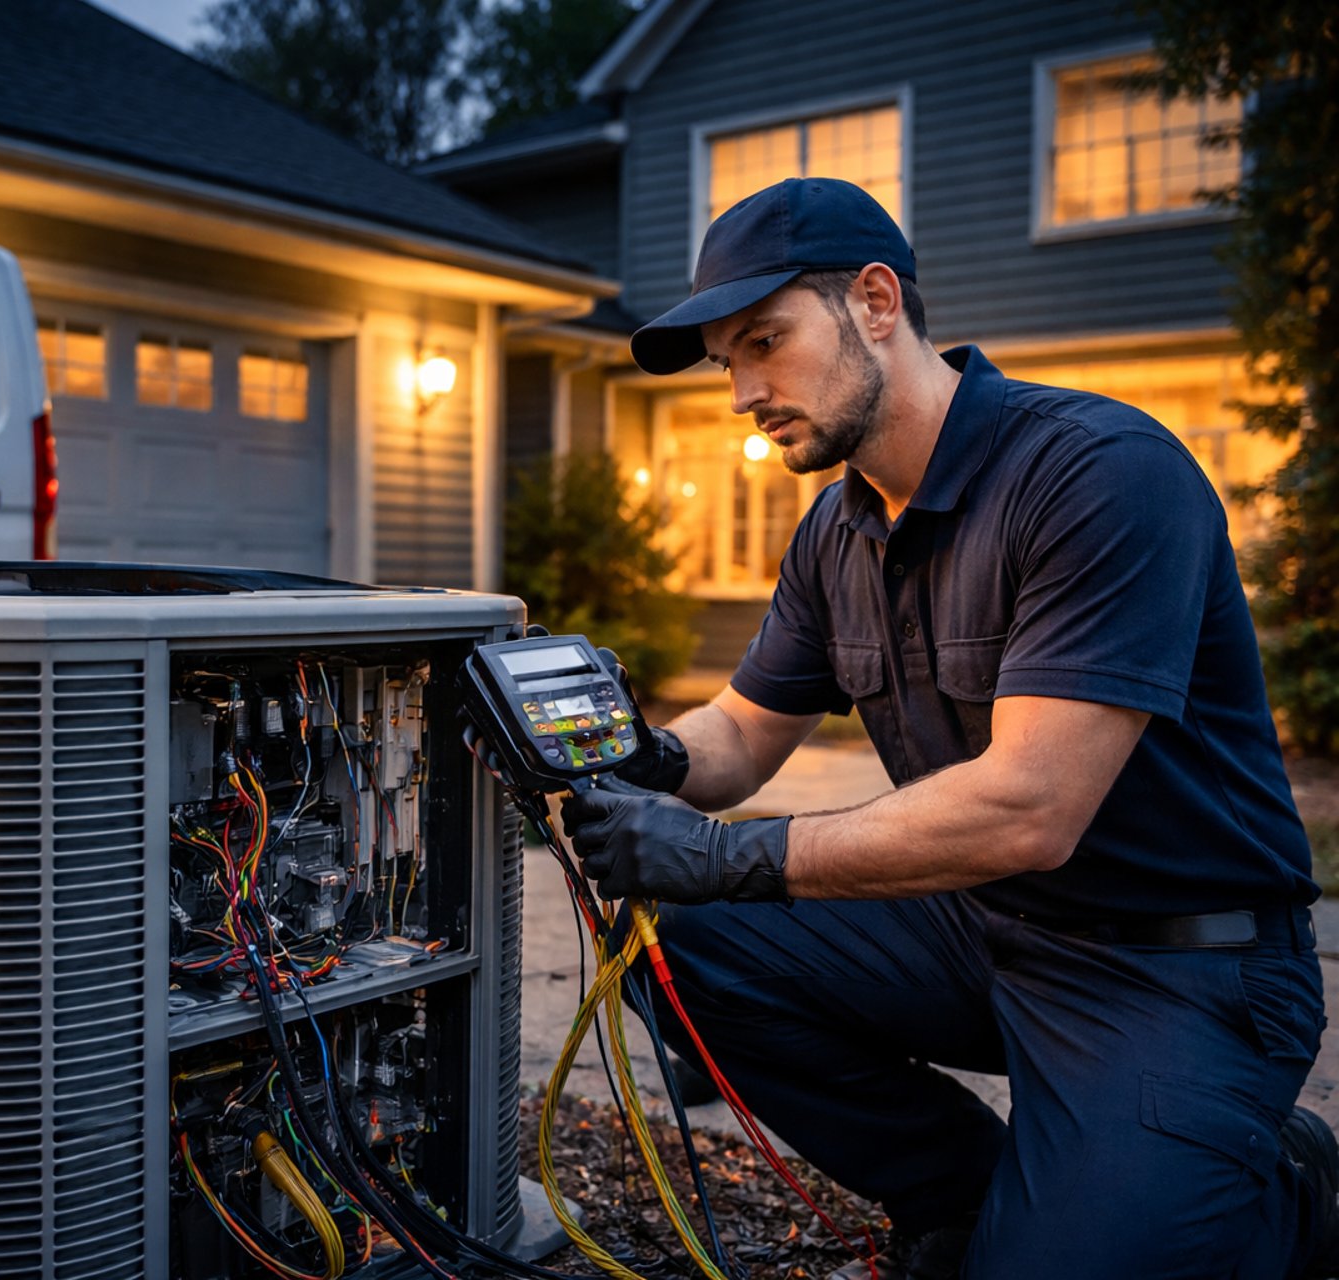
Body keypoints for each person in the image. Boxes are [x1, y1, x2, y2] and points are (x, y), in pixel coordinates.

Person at [560, 177, 1332, 1279]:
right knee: (678, 945)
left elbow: (1030, 806)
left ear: (877, 301)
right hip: (985, 935)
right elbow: (739, 732)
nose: (741, 391)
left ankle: (1279, 1194)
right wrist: (645, 763)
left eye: (764, 342)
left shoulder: (1097, 473)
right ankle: (966, 1191)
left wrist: (727, 855)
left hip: (1178, 964)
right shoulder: (838, 526)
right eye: (728, 361)